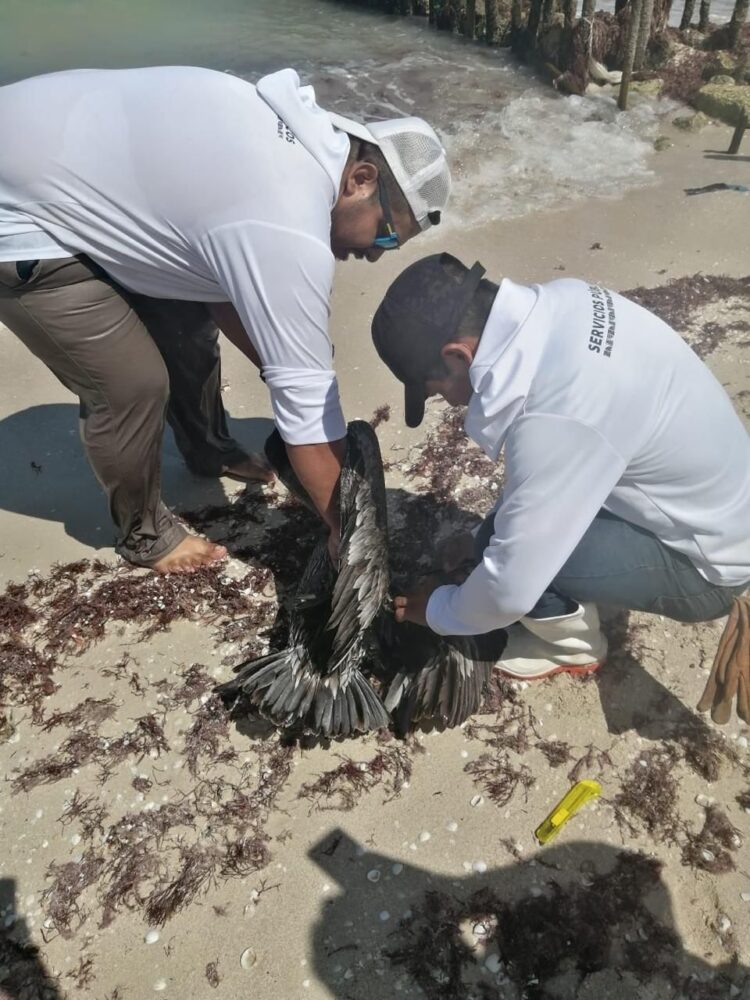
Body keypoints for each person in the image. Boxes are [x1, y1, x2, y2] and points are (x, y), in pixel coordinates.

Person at [0, 66, 450, 572]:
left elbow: (221, 294)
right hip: (18, 216)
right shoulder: (284, 219)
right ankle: (145, 536)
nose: (374, 255)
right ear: (361, 179)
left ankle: (208, 449)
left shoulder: (303, 142)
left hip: (67, 169)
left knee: (188, 328)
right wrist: (346, 534)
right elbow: (304, 411)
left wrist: (285, 360)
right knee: (132, 384)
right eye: (386, 236)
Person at [371, 252, 750, 681]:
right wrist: (482, 533)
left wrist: (436, 609)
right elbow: (558, 467)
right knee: (495, 538)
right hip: (721, 504)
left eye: (438, 391)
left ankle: (573, 647)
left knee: (505, 560)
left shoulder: (558, 415)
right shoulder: (567, 300)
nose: (453, 403)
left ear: (458, 356)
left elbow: (508, 589)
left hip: (710, 564)